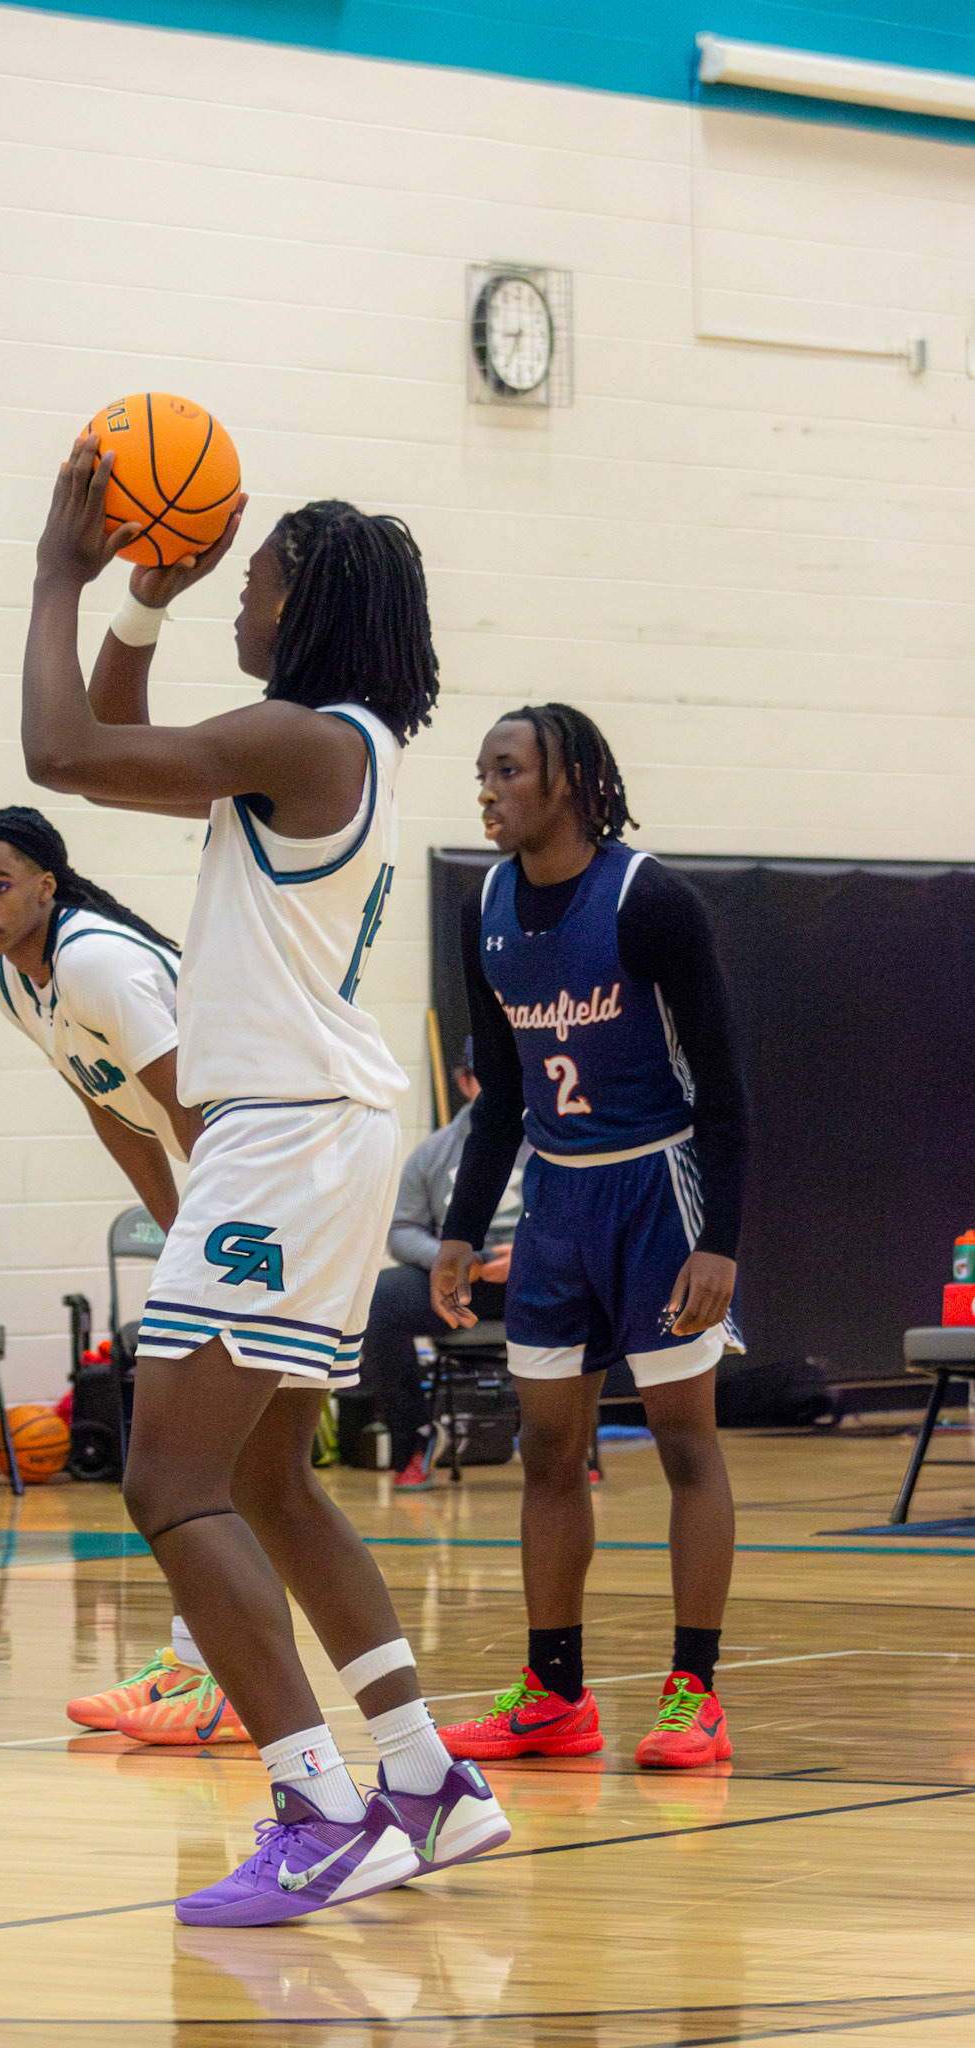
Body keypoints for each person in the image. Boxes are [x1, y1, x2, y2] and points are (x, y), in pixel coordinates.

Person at [19, 437, 509, 1927]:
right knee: (265, 1480)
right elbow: (118, 742)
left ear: (305, 609)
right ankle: (424, 1778)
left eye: (255, 582)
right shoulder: (322, 746)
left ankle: (317, 1805)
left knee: (168, 1477)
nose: (238, 598)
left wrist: (58, 570)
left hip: (286, 1133)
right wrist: (143, 603)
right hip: (320, 1128)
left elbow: (59, 756)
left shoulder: (306, 740)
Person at [430, 705, 748, 1770]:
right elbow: (501, 1092)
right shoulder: (483, 905)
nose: (487, 788)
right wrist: (461, 1230)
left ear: (565, 778)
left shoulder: (649, 899)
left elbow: (726, 1090)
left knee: (684, 1443)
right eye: (482, 771)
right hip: (557, 1203)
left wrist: (720, 1242)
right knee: (548, 1452)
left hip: (657, 1188)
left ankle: (694, 1694)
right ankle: (555, 1696)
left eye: (507, 769)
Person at [0, 802, 246, 1745]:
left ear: (46, 884)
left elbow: (195, 1107)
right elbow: (107, 1107)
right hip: (234, 1190)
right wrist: (177, 1223)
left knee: (207, 1454)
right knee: (198, 1455)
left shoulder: (95, 962)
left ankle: (224, 1676)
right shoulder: (15, 981)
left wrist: (213, 1228)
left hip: (270, 1172)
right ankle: (200, 1662)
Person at [360, 1041, 525, 1488]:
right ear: (464, 1082)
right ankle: (414, 1440)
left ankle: (566, 1438)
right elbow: (401, 1229)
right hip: (456, 1285)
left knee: (584, 1287)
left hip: (533, 1279)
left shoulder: (552, 1143)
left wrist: (533, 1254)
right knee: (378, 1299)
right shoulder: (433, 1152)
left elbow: (579, 1220)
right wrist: (449, 1261)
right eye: (486, 1076)